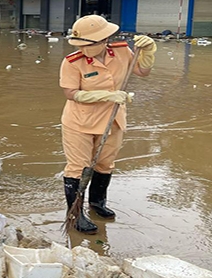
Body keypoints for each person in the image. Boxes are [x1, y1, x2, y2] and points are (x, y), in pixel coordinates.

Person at [59, 15, 156, 234]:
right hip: (80, 122)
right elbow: (70, 93)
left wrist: (149, 52)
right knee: (78, 168)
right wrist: (105, 95)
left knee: (105, 164)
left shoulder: (122, 51)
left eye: (88, 44)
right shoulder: (72, 62)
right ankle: (75, 214)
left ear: (104, 40)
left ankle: (97, 203)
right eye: (80, 44)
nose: (83, 48)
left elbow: (142, 72)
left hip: (113, 119)